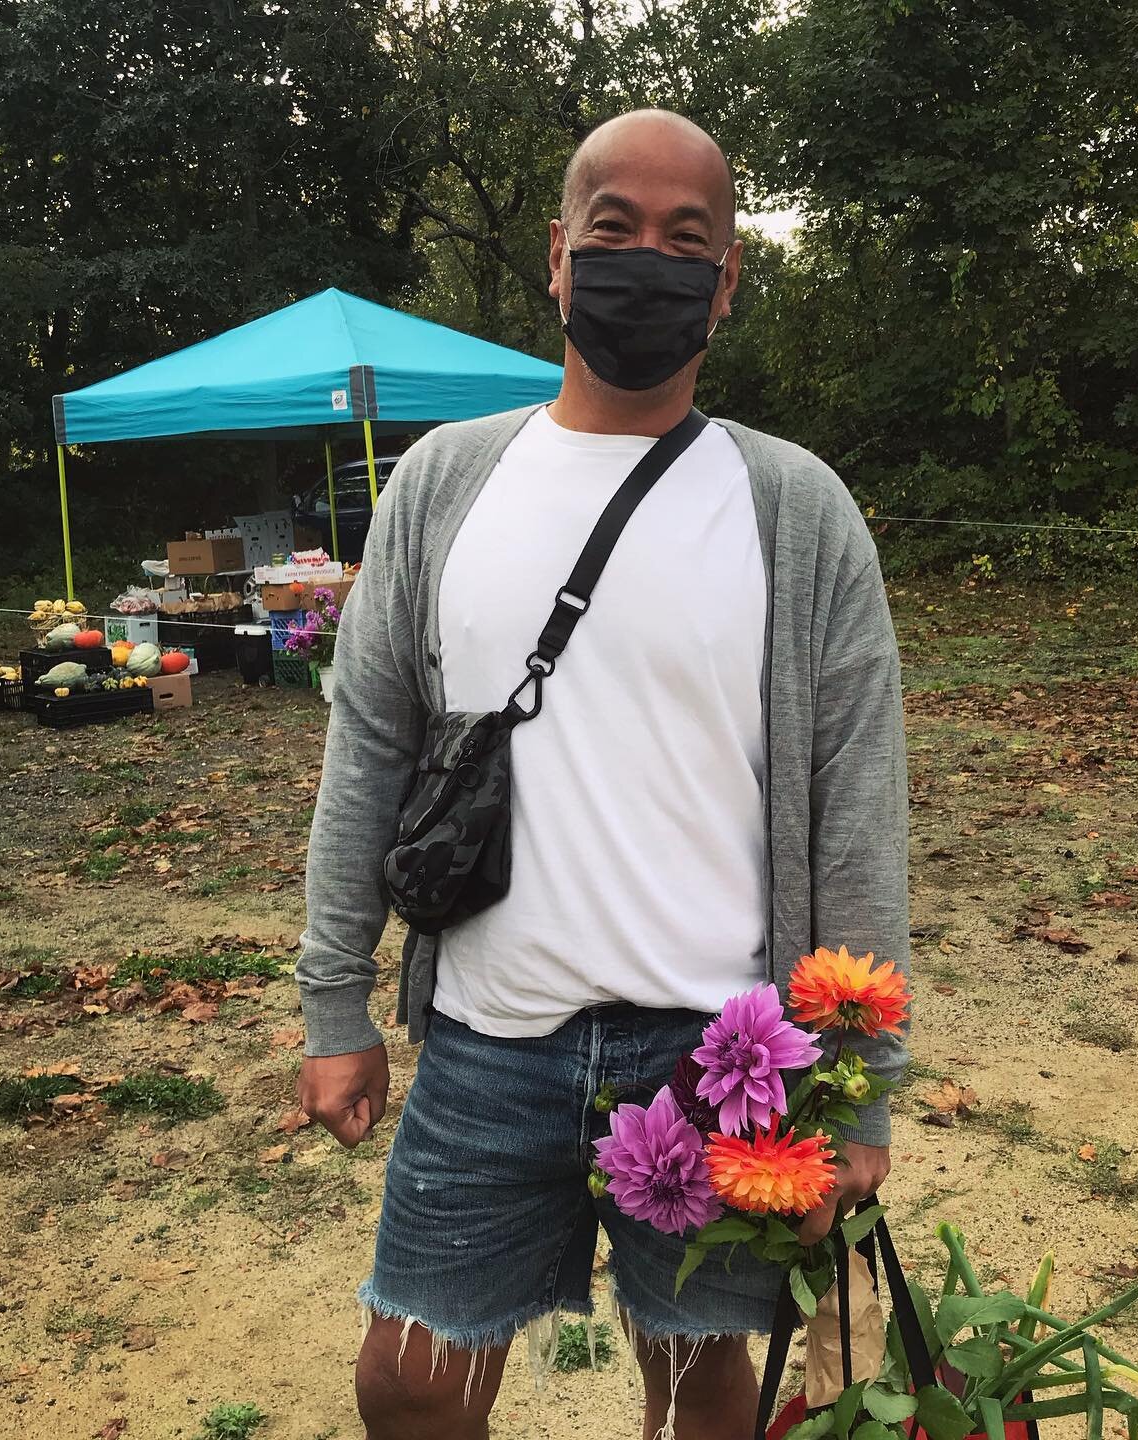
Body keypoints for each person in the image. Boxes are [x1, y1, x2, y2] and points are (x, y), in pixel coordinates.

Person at [294, 109, 911, 1440]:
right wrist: (335, 1002)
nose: (649, 261)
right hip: (484, 1038)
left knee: (704, 1396)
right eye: (615, 231)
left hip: (721, 1061)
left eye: (687, 239)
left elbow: (859, 804)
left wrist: (863, 1086)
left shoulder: (795, 510)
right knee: (406, 1383)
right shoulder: (444, 486)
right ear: (559, 259)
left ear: (728, 282)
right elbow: (368, 754)